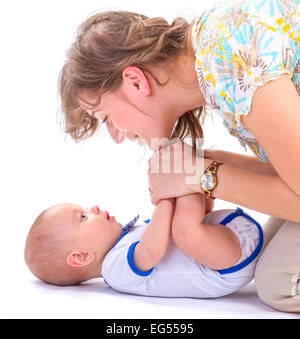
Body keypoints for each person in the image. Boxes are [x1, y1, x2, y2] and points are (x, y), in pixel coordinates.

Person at [58, 0, 300, 311]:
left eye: (104, 117)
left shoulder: (231, 58)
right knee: (264, 254)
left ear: (134, 82)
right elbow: (288, 171)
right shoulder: (213, 50)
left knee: (278, 281)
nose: (116, 137)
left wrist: (200, 176)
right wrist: (203, 167)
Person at [24, 193, 263, 297]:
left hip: (222, 237)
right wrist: (165, 198)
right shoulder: (114, 270)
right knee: (184, 230)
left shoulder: (122, 242)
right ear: (81, 257)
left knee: (185, 223)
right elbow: (152, 249)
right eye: (83, 217)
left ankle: (193, 178)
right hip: (225, 264)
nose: (94, 207)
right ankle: (187, 176)